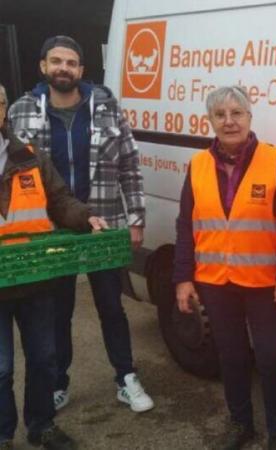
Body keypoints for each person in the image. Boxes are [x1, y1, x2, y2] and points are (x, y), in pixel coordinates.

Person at [7, 35, 153, 414]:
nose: (63, 68)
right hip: (50, 230)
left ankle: (126, 377)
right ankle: (58, 382)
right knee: (58, 310)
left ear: (81, 70)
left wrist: (135, 218)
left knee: (111, 306)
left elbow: (130, 164)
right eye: (56, 61)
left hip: (102, 225)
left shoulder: (105, 105)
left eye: (71, 63)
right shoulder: (23, 109)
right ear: (43, 66)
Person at [173, 86, 276, 450]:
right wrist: (183, 278)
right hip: (215, 281)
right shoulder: (197, 165)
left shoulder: (274, 160)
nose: (229, 121)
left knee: (272, 356)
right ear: (210, 121)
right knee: (230, 355)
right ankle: (240, 422)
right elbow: (186, 224)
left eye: (237, 113)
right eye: (220, 115)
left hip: (264, 282)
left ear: (249, 117)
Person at [0, 82, 108, 450]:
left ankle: (41, 424)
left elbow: (60, 200)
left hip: (35, 278)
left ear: (4, 110)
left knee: (45, 359)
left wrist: (86, 217)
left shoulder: (30, 156)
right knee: (1, 369)